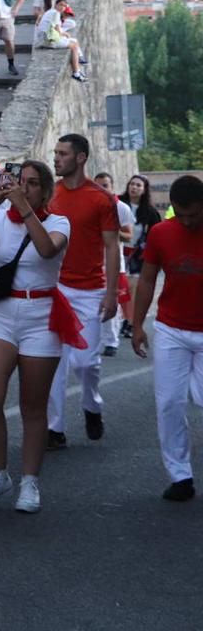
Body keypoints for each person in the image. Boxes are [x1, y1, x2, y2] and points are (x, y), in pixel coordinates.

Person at [0, 161, 75, 512]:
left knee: (32, 405)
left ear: (45, 190)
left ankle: (30, 481)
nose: (21, 188)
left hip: (41, 315)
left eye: (31, 183)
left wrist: (24, 207)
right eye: (18, 182)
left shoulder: (59, 223)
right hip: (1, 313)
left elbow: (47, 249)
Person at [130, 175, 203, 502]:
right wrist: (137, 324)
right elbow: (146, 281)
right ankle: (180, 476)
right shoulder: (161, 233)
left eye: (195, 215)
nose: (187, 221)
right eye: (181, 214)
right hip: (171, 328)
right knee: (170, 403)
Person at [46, 134, 120, 450]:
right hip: (55, 288)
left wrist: (113, 293)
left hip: (91, 290)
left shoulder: (102, 198)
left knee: (86, 363)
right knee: (54, 361)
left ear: (81, 158)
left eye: (62, 154)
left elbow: (112, 246)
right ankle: (54, 429)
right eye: (55, 153)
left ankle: (92, 407)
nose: (56, 158)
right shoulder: (51, 195)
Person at [94, 173, 134, 357]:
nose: (102, 189)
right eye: (98, 186)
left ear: (112, 186)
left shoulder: (121, 208)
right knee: (92, 303)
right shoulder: (89, 206)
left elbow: (128, 236)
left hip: (114, 263)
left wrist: (110, 231)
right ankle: (94, 340)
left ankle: (111, 341)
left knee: (112, 303)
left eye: (105, 185)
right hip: (91, 263)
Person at [119, 175, 161, 338]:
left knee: (133, 288)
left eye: (138, 185)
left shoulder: (150, 212)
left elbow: (155, 235)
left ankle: (131, 323)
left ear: (144, 190)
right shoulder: (120, 205)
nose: (134, 187)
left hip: (138, 255)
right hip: (120, 250)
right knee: (122, 288)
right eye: (132, 184)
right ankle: (123, 318)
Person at [38, 0, 87, 82]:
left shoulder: (50, 12)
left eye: (64, 6)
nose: (62, 7)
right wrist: (66, 34)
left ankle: (79, 62)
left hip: (46, 38)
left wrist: (64, 35)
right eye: (60, 5)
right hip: (49, 40)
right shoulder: (56, 13)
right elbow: (58, 31)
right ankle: (76, 73)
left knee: (74, 41)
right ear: (56, 4)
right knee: (74, 46)